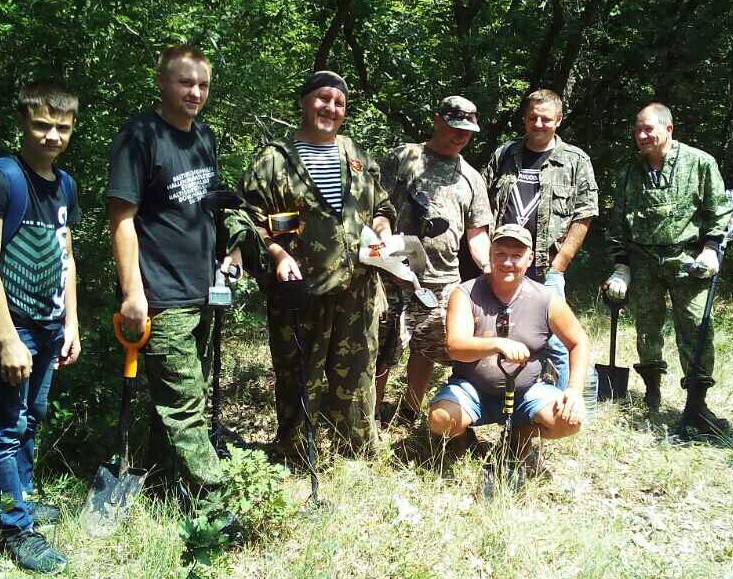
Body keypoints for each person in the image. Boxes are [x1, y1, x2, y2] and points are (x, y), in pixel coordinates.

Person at [232, 70, 395, 460]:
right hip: (299, 288)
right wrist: (278, 254)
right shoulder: (274, 161)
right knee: (298, 373)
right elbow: (248, 218)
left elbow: (382, 206)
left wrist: (384, 226)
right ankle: (296, 451)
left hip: (358, 289)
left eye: (339, 103)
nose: (331, 108)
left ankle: (354, 449)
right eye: (323, 99)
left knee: (357, 371)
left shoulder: (356, 156)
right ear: (303, 103)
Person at [107, 44, 238, 510]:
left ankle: (162, 484)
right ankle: (214, 508)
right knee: (186, 406)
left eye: (202, 84)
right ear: (162, 82)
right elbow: (121, 219)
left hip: (200, 290)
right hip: (159, 296)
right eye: (185, 82)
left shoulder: (203, 136)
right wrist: (133, 293)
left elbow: (205, 208)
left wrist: (228, 255)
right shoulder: (140, 136)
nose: (195, 92)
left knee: (178, 396)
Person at [0, 83, 81, 574]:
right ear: (22, 123)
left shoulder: (66, 185)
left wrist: (71, 322)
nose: (52, 135)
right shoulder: (0, 178)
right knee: (7, 426)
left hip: (51, 324)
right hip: (14, 328)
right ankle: (15, 528)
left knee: (32, 416)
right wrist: (7, 338)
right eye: (42, 124)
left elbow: (67, 256)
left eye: (62, 126)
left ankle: (24, 499)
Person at [605, 102, 733, 433]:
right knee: (647, 328)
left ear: (668, 129)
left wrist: (712, 249)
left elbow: (719, 211)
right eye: (638, 130)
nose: (643, 135)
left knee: (695, 326)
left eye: (649, 129)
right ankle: (652, 393)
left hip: (688, 260)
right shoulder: (628, 172)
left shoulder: (700, 163)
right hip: (643, 261)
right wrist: (622, 266)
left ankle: (697, 404)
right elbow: (618, 224)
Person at [428, 224, 590, 462]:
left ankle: (519, 434)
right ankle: (461, 439)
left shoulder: (546, 299)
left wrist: (574, 391)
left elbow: (579, 342)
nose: (507, 262)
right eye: (501, 254)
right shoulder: (464, 293)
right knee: (440, 419)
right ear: (490, 255)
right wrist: (496, 345)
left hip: (528, 392)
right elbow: (455, 346)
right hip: (472, 388)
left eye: (516, 256)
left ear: (530, 258)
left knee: (570, 422)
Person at [376, 96, 492, 421]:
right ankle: (371, 414)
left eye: (468, 131)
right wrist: (381, 234)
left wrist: (488, 268)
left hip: (441, 282)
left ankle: (409, 411)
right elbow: (375, 206)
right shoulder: (402, 158)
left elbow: (478, 233)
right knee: (383, 349)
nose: (461, 136)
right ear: (438, 121)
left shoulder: (471, 177)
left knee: (427, 349)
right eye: (455, 128)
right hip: (391, 275)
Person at [483, 88, 598, 389]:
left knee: (558, 341)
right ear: (524, 118)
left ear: (558, 120)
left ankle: (564, 404)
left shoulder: (576, 160)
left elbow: (584, 216)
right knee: (500, 332)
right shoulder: (505, 154)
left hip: (547, 267)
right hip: (504, 263)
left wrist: (560, 263)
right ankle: (506, 397)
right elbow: (482, 205)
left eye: (546, 119)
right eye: (532, 117)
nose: (538, 124)